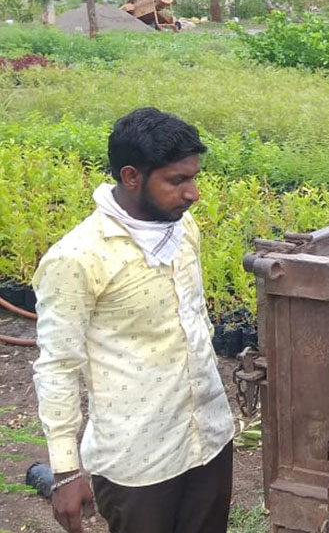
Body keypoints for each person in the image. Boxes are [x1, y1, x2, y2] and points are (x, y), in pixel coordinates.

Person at [32, 107, 235, 533]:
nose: (193, 193)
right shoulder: (77, 258)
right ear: (131, 177)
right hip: (138, 463)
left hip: (209, 439)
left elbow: (195, 321)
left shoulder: (182, 229)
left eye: (194, 177)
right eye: (177, 181)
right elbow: (58, 368)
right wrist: (67, 472)